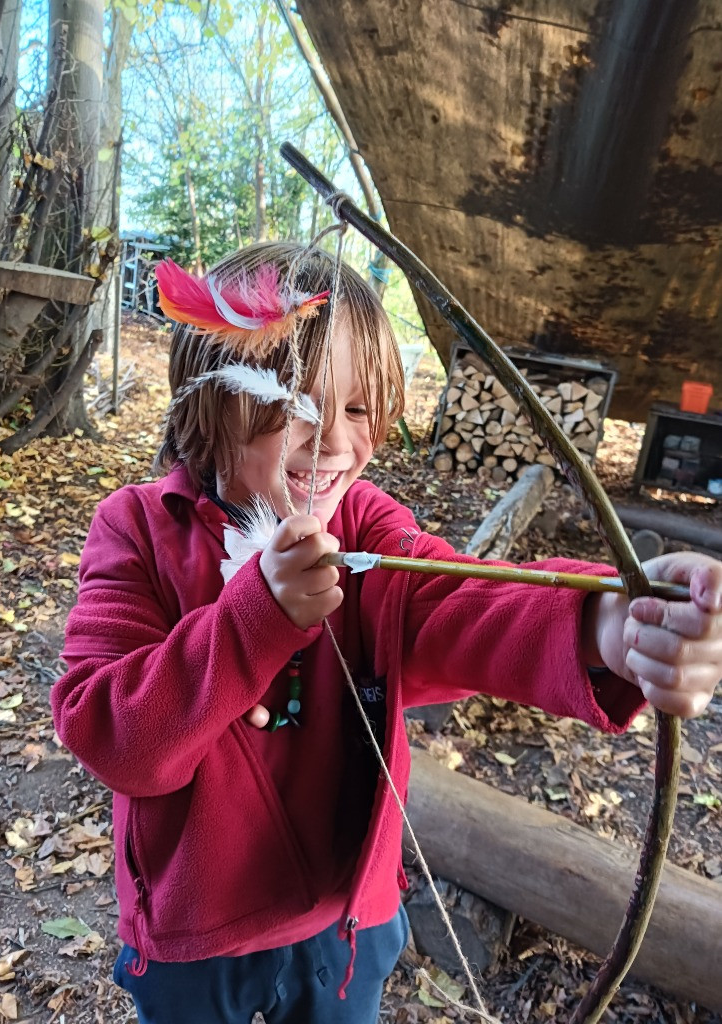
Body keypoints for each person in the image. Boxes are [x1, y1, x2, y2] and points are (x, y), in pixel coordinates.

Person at [51, 241, 722, 1024]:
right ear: (210, 397)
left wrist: (612, 623)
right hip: (195, 942)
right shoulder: (135, 527)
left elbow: (461, 606)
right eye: (293, 403)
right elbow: (113, 735)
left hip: (347, 929)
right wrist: (253, 620)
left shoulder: (367, 526)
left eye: (360, 407)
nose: (333, 441)